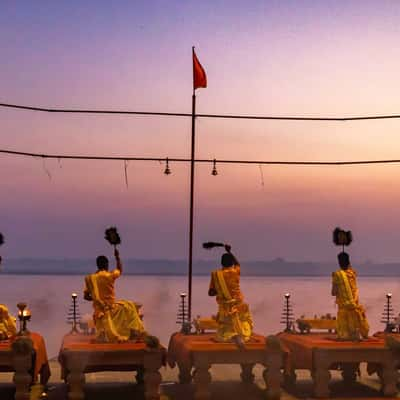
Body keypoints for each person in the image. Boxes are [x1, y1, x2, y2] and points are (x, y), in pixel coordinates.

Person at [84, 248, 145, 342]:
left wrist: (97, 300)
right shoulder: (110, 275)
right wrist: (117, 257)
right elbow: (120, 270)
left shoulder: (90, 279)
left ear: (97, 265)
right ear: (106, 265)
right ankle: (134, 333)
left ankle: (129, 333)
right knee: (129, 305)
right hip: (112, 309)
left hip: (98, 312)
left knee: (126, 305)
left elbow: (86, 297)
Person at [208, 245, 253, 347]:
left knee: (222, 334)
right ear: (232, 263)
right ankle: (239, 336)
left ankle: (232, 336)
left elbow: (210, 292)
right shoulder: (235, 272)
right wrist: (230, 251)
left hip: (225, 310)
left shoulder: (215, 275)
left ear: (221, 263)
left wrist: (220, 290)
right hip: (238, 308)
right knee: (245, 327)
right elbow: (238, 263)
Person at [331, 252, 369, 340]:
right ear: (348, 262)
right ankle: (356, 334)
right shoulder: (353, 274)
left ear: (339, 263)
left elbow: (333, 292)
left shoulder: (337, 275)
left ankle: (346, 335)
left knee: (344, 335)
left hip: (344, 309)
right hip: (354, 307)